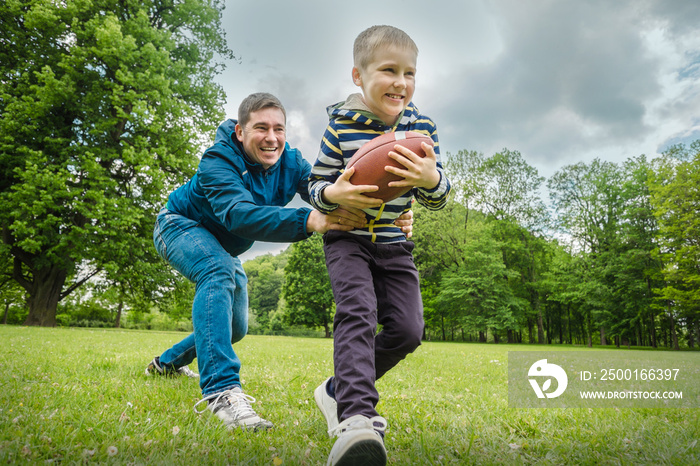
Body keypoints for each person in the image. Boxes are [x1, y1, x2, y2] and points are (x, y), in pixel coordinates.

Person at [145, 92, 414, 432]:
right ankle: (222, 391)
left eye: (279, 129)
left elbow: (329, 192)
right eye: (261, 128)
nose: (271, 138)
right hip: (179, 226)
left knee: (234, 328)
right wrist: (308, 221)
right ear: (241, 131)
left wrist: (389, 212)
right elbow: (238, 216)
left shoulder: (292, 162)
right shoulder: (217, 159)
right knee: (217, 271)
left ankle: (165, 364)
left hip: (223, 248)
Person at [308, 25, 451, 465]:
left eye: (410, 73)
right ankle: (355, 418)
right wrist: (334, 195)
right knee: (357, 313)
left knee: (408, 331)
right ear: (358, 76)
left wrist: (431, 180)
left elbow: (438, 197)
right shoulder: (340, 126)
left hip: (395, 244)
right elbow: (315, 183)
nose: (401, 82)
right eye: (389, 70)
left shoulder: (422, 127)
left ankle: (336, 390)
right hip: (347, 240)